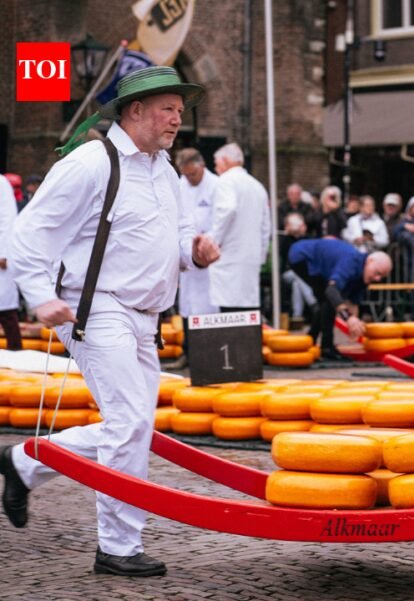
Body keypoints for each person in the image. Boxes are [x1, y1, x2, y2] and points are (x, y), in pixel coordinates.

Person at [1, 66, 220, 576]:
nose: (177, 120)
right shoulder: (91, 163)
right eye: (168, 108)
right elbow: (29, 234)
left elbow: (180, 234)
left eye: (180, 111)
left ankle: (22, 463)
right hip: (94, 306)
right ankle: (118, 546)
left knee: (132, 427)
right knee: (128, 424)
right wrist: (39, 297)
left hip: (145, 316)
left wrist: (196, 251)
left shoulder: (164, 169)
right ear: (135, 110)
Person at [288, 239, 392, 359]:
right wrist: (348, 318)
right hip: (301, 255)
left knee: (326, 301)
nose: (377, 279)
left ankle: (312, 340)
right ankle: (325, 347)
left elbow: (353, 303)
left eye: (382, 277)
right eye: (377, 273)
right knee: (328, 299)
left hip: (316, 260)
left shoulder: (363, 276)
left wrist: (354, 327)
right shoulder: (350, 262)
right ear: (369, 261)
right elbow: (331, 291)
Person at [209, 142, 271, 313]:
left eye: (216, 163)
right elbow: (266, 227)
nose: (215, 168)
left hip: (229, 255)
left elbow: (226, 210)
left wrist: (214, 241)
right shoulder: (258, 186)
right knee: (248, 312)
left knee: (228, 311)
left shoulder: (225, 181)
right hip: (250, 257)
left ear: (225, 161)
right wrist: (261, 255)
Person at [173, 148, 219, 367]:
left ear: (202, 166)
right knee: (187, 305)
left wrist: (205, 241)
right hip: (186, 252)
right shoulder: (180, 186)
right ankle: (188, 352)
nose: (190, 178)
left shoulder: (216, 186)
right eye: (186, 174)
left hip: (207, 254)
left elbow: (220, 221)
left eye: (193, 174)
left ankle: (207, 353)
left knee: (207, 307)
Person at [0, 175, 21, 350]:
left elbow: (8, 219)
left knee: (5, 311)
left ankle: (16, 353)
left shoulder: (1, 183)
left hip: (1, 254)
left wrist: (4, 252)